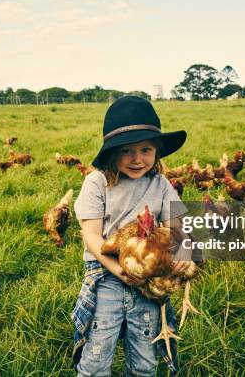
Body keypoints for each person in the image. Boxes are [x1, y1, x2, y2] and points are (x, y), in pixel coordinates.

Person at [71, 96, 190, 376]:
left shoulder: (159, 183)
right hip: (106, 275)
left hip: (149, 277)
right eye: (127, 151)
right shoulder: (97, 182)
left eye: (146, 149)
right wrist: (119, 270)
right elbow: (91, 236)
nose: (137, 159)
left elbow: (178, 226)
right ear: (112, 152)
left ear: (157, 151)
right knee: (99, 351)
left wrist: (184, 254)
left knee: (146, 358)